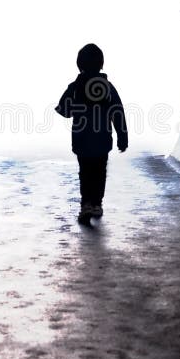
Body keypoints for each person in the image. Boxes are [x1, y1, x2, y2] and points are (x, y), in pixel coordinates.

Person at [55, 43, 127, 224]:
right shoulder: (108, 87)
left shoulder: (75, 87)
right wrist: (122, 137)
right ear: (101, 64)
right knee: (100, 172)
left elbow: (64, 110)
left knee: (85, 172)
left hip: (82, 139)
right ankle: (97, 203)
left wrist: (77, 105)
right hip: (102, 139)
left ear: (79, 65)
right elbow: (117, 111)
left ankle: (86, 204)